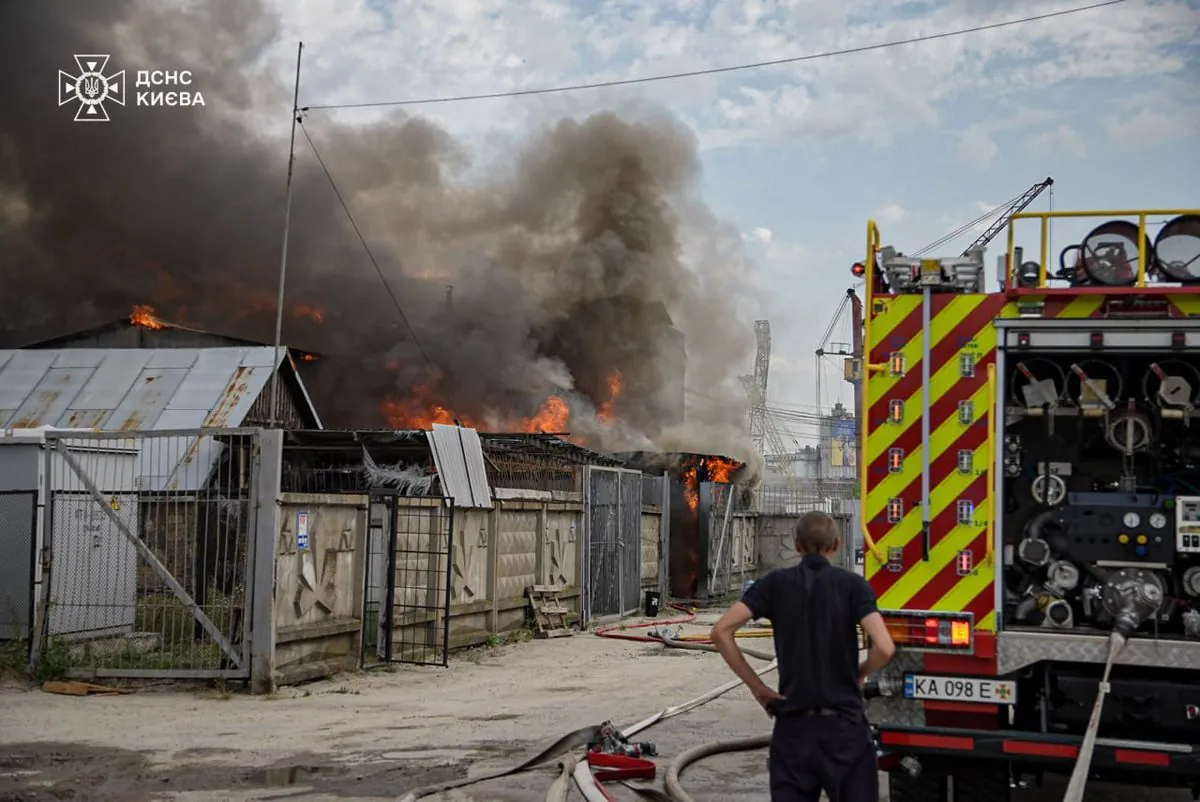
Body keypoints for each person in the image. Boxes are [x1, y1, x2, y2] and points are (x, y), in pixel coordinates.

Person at [710, 511, 896, 802]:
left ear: (796, 545)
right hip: (845, 730)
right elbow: (885, 647)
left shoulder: (774, 584)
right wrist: (860, 672)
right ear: (836, 544)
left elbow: (721, 631)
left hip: (793, 730)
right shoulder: (853, 586)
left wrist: (758, 687)